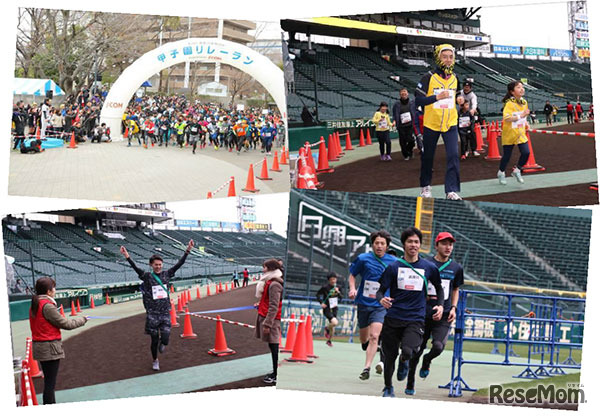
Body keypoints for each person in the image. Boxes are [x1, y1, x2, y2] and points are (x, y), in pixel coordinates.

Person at [376, 227, 444, 398]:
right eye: (410, 241)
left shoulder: (429, 268)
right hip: (393, 318)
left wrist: (441, 305)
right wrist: (381, 299)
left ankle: (404, 361)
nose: (413, 245)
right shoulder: (393, 267)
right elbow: (380, 290)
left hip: (415, 319)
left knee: (408, 351)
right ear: (404, 244)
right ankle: (388, 387)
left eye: (416, 242)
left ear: (420, 245)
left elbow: (439, 289)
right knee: (389, 357)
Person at [120, 240, 194, 371]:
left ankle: (163, 343)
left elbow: (180, 263)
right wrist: (127, 256)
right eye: (156, 265)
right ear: (151, 265)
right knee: (154, 340)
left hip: (165, 312)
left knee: (165, 337)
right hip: (152, 314)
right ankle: (155, 360)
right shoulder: (147, 277)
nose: (158, 266)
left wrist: (188, 249)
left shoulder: (167, 274)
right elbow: (135, 267)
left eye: (160, 264)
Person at [405, 232, 464, 395]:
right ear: (436, 246)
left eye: (450, 244)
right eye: (444, 244)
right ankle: (410, 383)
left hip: (444, 314)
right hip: (422, 313)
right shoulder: (425, 263)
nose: (448, 247)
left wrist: (453, 307)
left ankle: (427, 360)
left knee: (438, 347)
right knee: (416, 349)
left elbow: (455, 289)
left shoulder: (456, 268)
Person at [416, 44, 464, 200]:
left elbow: (457, 97)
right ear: (438, 58)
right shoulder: (428, 77)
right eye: (445, 56)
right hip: (432, 123)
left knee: (453, 156)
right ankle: (425, 187)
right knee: (428, 156)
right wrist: (436, 97)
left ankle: (451, 190)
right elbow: (418, 100)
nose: (448, 60)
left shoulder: (455, 78)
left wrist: (459, 99)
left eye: (451, 57)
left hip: (450, 123)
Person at [29, 276, 88, 404]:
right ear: (49, 291)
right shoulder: (47, 306)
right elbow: (66, 324)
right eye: (53, 288)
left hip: (41, 347)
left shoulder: (35, 303)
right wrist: (83, 319)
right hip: (49, 348)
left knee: (49, 382)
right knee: (50, 384)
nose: (55, 290)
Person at [348, 230, 397, 380]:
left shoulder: (393, 262)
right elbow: (352, 275)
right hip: (363, 303)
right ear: (372, 244)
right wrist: (352, 288)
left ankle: (366, 368)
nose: (379, 246)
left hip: (381, 304)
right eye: (377, 243)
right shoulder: (363, 259)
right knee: (364, 339)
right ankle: (366, 344)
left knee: (375, 336)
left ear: (387, 246)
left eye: (382, 243)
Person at [254, 258, 284, 384]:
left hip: (272, 319)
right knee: (273, 346)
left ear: (271, 269)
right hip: (269, 317)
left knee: (274, 346)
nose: (263, 269)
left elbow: (274, 306)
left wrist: (267, 323)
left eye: (265, 267)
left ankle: (276, 375)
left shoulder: (274, 284)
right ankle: (275, 372)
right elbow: (270, 302)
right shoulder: (270, 282)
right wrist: (260, 304)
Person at [497, 81, 530, 185]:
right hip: (509, 133)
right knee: (507, 156)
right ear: (512, 91)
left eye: (522, 87)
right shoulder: (509, 103)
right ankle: (501, 172)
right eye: (518, 87)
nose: (522, 89)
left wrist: (526, 123)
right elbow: (506, 118)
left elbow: (524, 116)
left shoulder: (524, 102)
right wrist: (521, 116)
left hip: (520, 132)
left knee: (526, 152)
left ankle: (517, 170)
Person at [316, 272, 343, 347]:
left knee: (333, 327)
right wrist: (321, 303)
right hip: (327, 308)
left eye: (334, 279)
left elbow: (341, 298)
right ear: (329, 280)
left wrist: (338, 292)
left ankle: (329, 340)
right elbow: (317, 294)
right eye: (331, 279)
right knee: (334, 323)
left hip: (334, 307)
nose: (333, 281)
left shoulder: (338, 287)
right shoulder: (325, 287)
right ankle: (327, 328)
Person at [392, 89, 418, 160]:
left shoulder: (412, 102)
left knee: (411, 141)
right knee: (403, 141)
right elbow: (394, 114)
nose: (404, 94)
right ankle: (405, 155)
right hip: (401, 126)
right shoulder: (396, 104)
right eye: (402, 93)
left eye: (405, 93)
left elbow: (415, 111)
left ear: (408, 94)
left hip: (410, 124)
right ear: (400, 95)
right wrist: (394, 120)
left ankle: (409, 150)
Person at [457, 81, 479, 157]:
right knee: (463, 134)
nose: (466, 89)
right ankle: (465, 150)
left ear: (470, 88)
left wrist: (473, 109)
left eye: (468, 87)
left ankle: (473, 149)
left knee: (472, 133)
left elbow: (474, 103)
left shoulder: (472, 95)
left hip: (469, 113)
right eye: (465, 87)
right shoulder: (460, 93)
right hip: (461, 113)